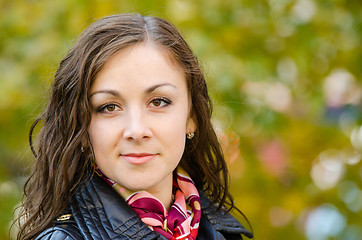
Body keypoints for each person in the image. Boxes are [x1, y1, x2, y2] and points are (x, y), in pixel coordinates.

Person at [15, 13, 253, 240]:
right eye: (109, 107)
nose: (137, 130)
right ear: (82, 127)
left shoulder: (222, 232)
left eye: (158, 102)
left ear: (192, 117)